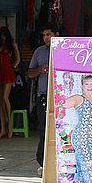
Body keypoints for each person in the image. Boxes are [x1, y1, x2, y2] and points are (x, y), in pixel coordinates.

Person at [62, 74, 92, 183]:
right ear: (82, 86)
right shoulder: (79, 98)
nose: (89, 86)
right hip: (81, 136)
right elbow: (60, 104)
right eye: (86, 84)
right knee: (86, 161)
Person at [24, 28, 55, 166]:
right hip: (43, 96)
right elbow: (29, 73)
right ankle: (42, 161)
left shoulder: (65, 49)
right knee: (43, 129)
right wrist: (40, 70)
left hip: (61, 97)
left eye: (49, 34)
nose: (46, 37)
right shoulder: (39, 52)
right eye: (44, 35)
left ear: (56, 35)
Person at [0, 26, 19, 139]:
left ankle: (10, 127)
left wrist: (14, 66)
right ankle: (3, 128)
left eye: (4, 35)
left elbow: (18, 59)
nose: (2, 37)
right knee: (0, 100)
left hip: (8, 72)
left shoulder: (12, 45)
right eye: (1, 35)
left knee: (5, 97)